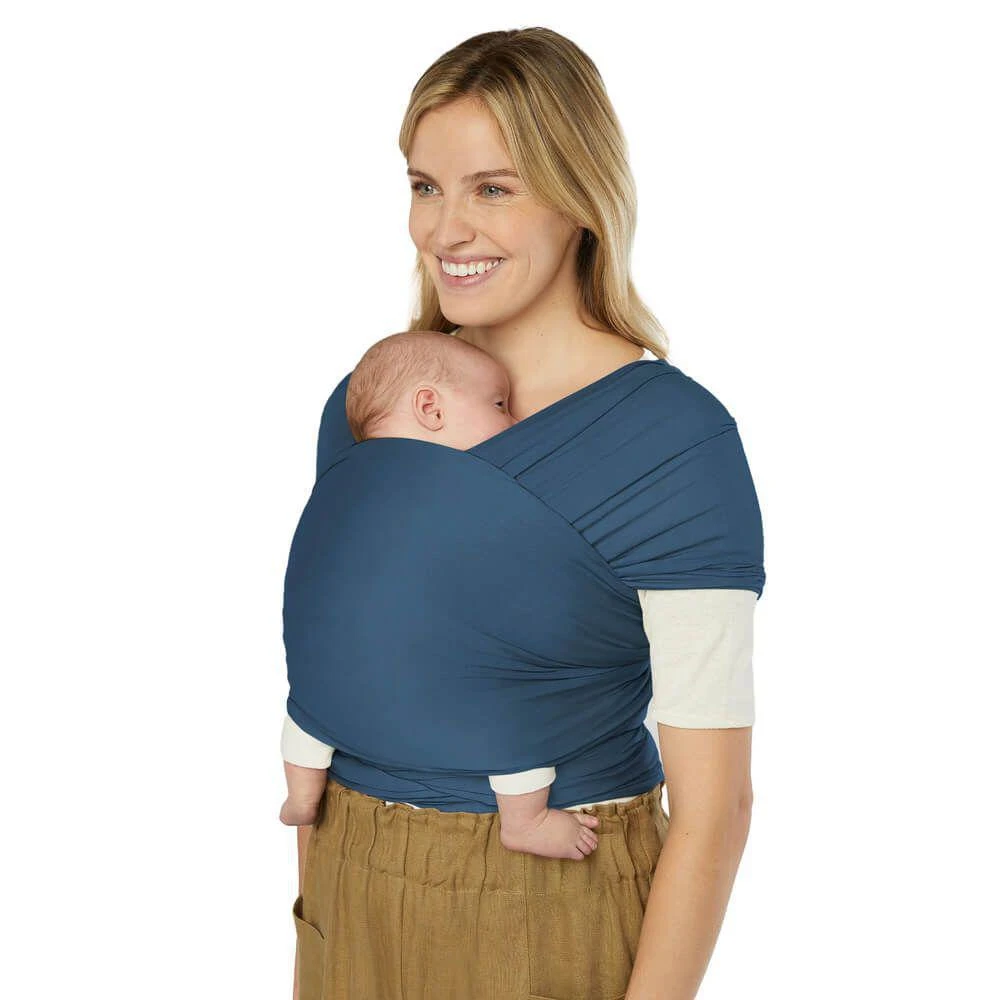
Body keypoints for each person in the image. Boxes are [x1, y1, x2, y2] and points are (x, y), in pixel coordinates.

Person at [284, 27, 765, 1000]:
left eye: (492, 189)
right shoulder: (373, 405)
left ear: (579, 197)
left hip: (544, 901)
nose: (445, 229)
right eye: (426, 186)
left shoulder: (672, 445)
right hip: (351, 882)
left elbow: (715, 809)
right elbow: (343, 663)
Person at [280, 329, 603, 862]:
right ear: (430, 408)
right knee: (519, 716)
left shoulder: (348, 486)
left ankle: (301, 792)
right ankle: (525, 821)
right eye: (499, 405)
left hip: (334, 692)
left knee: (306, 710)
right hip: (455, 690)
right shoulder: (471, 491)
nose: (515, 423)